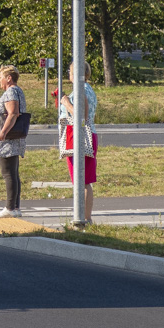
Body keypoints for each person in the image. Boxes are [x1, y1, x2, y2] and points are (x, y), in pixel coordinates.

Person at [0, 65, 28, 218]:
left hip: (8, 140)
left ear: (9, 78)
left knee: (8, 173)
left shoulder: (11, 91)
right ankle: (15, 208)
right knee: (13, 173)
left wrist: (2, 132)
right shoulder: (16, 91)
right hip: (11, 139)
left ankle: (10, 208)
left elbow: (13, 113)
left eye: (1, 77)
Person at [58, 61, 99, 224]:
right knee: (84, 180)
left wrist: (66, 103)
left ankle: (81, 217)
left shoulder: (80, 90)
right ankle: (85, 217)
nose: (68, 73)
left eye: (69, 70)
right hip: (87, 135)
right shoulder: (88, 89)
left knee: (80, 180)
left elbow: (81, 116)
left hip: (79, 136)